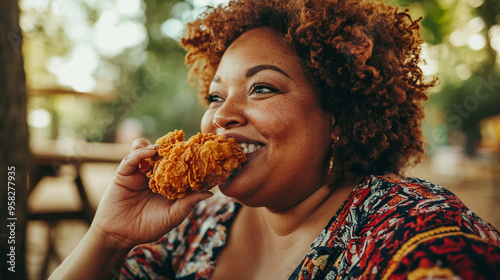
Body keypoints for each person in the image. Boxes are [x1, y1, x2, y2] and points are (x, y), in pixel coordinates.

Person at [49, 0, 500, 279]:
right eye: (215, 95)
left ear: (339, 116)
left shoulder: (403, 226)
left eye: (262, 87)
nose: (221, 116)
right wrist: (107, 238)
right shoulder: (197, 225)